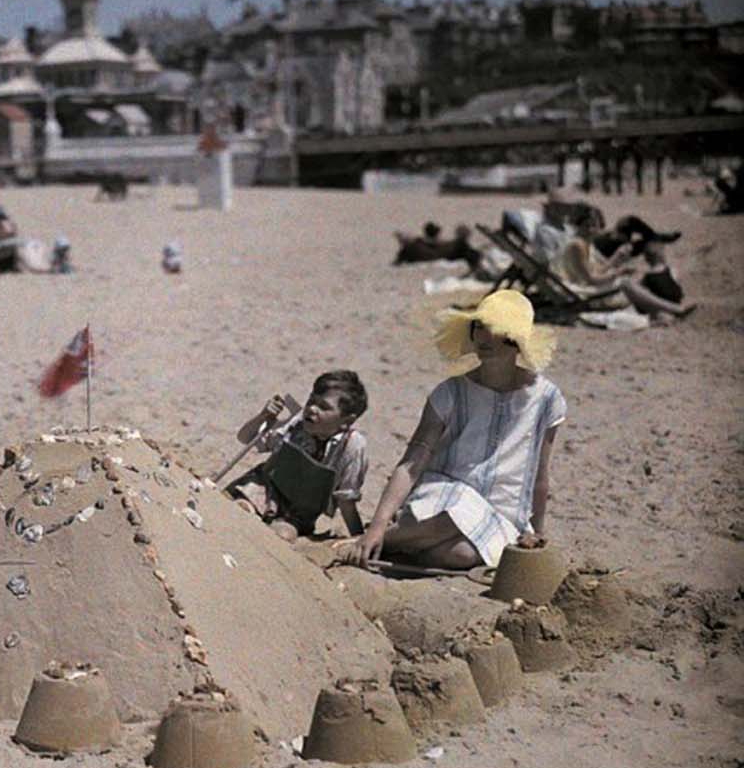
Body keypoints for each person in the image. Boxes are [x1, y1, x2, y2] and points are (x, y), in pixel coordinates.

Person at [340, 291, 565, 571]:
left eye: (496, 329)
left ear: (515, 340)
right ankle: (377, 538)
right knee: (456, 511)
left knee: (461, 556)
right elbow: (412, 463)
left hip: (502, 511)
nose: (484, 336)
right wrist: (378, 522)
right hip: (445, 495)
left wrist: (537, 529)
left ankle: (394, 543)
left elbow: (540, 475)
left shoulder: (546, 399)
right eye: (479, 326)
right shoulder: (450, 392)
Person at [226, 371, 370, 542]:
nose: (312, 409)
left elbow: (346, 499)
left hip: (300, 509)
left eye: (323, 407)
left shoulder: (352, 446)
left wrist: (360, 539)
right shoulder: (297, 422)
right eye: (311, 401)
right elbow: (246, 438)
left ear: (347, 421)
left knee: (283, 536)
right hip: (264, 487)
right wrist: (264, 416)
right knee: (240, 510)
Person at [556, 236, 694, 318]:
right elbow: (590, 280)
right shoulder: (578, 246)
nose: (594, 229)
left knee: (635, 285)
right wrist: (618, 273)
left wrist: (616, 259)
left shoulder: (587, 244)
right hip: (581, 290)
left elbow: (598, 271)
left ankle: (662, 311)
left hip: (586, 286)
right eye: (589, 225)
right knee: (626, 283)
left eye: (596, 225)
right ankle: (675, 309)